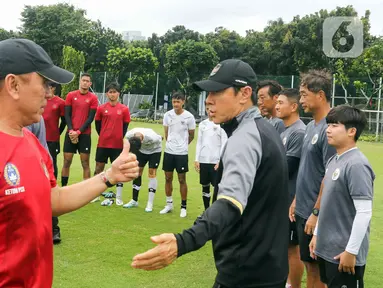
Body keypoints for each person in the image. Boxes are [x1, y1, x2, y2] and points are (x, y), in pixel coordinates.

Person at [131, 59, 289, 288]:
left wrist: (183, 242)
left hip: (245, 273)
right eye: (208, 92)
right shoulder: (264, 129)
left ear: (244, 94)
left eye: (217, 91)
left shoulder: (245, 137)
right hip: (267, 267)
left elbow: (230, 202)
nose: (208, 99)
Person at [0, 38, 139, 287]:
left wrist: (109, 176)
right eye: (44, 82)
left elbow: (52, 201)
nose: (49, 92)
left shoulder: (32, 143)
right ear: (13, 85)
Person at [309, 105, 373, 288]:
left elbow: (364, 212)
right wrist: (317, 234)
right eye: (328, 124)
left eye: (335, 125)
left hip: (344, 254)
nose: (328, 129)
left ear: (352, 131)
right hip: (327, 248)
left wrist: (351, 251)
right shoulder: (334, 160)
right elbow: (328, 203)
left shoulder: (357, 165)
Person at [290, 70, 337, 288]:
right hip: (303, 208)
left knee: (317, 271)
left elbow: (330, 176)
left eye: (304, 94)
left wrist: (316, 213)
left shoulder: (330, 129)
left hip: (315, 213)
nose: (300, 100)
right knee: (308, 265)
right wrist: (296, 199)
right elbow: (307, 169)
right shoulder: (310, 126)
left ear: (320, 95)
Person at [275, 88, 306, 288]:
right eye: (276, 102)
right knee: (283, 246)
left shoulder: (299, 132)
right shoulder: (282, 128)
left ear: (294, 106)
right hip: (280, 198)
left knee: (292, 248)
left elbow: (286, 168)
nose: (277, 106)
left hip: (292, 200)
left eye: (281, 102)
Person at [92, 82, 131, 205]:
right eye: (110, 92)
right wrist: (104, 135)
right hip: (103, 144)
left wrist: (118, 137)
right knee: (99, 168)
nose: (112, 94)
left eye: (114, 92)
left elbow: (125, 127)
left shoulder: (124, 109)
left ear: (118, 93)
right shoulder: (101, 108)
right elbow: (98, 126)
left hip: (117, 145)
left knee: (119, 170)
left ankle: (119, 197)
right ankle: (96, 194)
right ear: (106, 94)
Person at [161, 92, 196, 218]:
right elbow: (166, 133)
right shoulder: (167, 115)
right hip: (169, 151)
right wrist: (171, 143)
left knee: (182, 179)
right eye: (174, 102)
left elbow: (192, 135)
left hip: (181, 153)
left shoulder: (189, 117)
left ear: (183, 102)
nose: (176, 104)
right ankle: (169, 204)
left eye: (178, 102)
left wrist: (183, 146)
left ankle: (183, 207)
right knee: (167, 178)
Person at [61, 73, 98, 187]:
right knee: (67, 161)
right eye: (83, 80)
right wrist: (72, 131)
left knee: (85, 163)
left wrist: (78, 132)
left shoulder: (93, 98)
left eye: (87, 81)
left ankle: (86, 189)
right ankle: (64, 188)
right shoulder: (71, 95)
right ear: (80, 82)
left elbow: (90, 118)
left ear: (90, 84)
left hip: (84, 134)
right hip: (70, 133)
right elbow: (67, 115)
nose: (85, 82)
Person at [42, 82, 66, 244]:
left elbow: (64, 120)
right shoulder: (35, 103)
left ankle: (54, 229)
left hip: (50, 142)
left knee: (49, 182)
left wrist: (58, 133)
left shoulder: (59, 102)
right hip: (31, 143)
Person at [195, 105, 227, 210]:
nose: (209, 111)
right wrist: (197, 159)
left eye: (211, 109)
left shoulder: (221, 124)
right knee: (205, 186)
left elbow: (224, 143)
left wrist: (220, 160)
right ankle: (206, 210)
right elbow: (199, 142)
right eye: (207, 109)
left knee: (217, 187)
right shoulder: (202, 124)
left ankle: (215, 211)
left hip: (215, 161)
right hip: (204, 160)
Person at [124, 128, 163, 212]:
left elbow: (161, 138)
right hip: (141, 152)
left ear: (142, 142)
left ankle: (150, 203)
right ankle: (134, 200)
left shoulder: (152, 137)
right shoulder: (129, 135)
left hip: (154, 151)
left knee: (151, 174)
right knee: (137, 172)